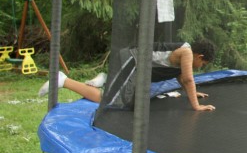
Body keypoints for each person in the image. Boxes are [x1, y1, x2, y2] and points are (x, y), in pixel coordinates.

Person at [38, 39, 216, 111]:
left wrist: (191, 93)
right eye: (203, 64)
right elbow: (188, 78)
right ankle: (63, 80)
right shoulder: (186, 52)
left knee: (127, 96)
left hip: (134, 62)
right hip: (132, 59)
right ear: (199, 56)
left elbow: (181, 78)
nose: (200, 67)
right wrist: (197, 106)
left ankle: (105, 79)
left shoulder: (185, 54)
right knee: (112, 100)